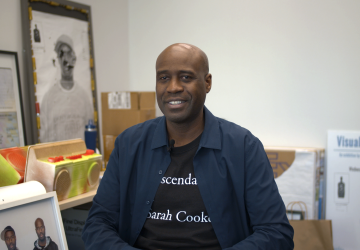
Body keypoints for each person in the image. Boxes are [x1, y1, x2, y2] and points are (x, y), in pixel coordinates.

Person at [82, 43, 294, 249]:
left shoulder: (244, 147)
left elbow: (276, 233)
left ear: (207, 82)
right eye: (164, 78)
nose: (173, 87)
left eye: (186, 77)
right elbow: (97, 225)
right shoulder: (129, 144)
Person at [39, 34, 93, 143]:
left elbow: (90, 135)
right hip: (59, 159)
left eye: (68, 53)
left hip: (81, 158)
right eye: (61, 54)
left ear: (74, 58)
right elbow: (45, 140)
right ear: (58, 60)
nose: (65, 59)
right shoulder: (49, 98)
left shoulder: (83, 97)